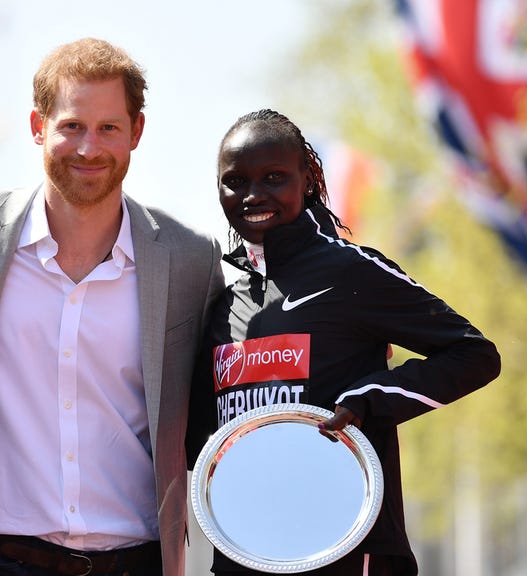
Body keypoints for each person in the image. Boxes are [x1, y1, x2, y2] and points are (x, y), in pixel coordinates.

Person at [0, 38, 224, 576]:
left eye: (109, 128)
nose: (89, 148)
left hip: (134, 562)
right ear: (37, 125)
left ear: (136, 132)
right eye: (71, 125)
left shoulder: (190, 258)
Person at [191, 108, 502, 575]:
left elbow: (475, 355)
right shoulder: (223, 305)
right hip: (246, 553)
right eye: (234, 182)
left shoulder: (351, 271)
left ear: (310, 177)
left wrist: (371, 398)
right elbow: (200, 435)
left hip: (350, 549)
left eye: (274, 177)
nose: (253, 195)